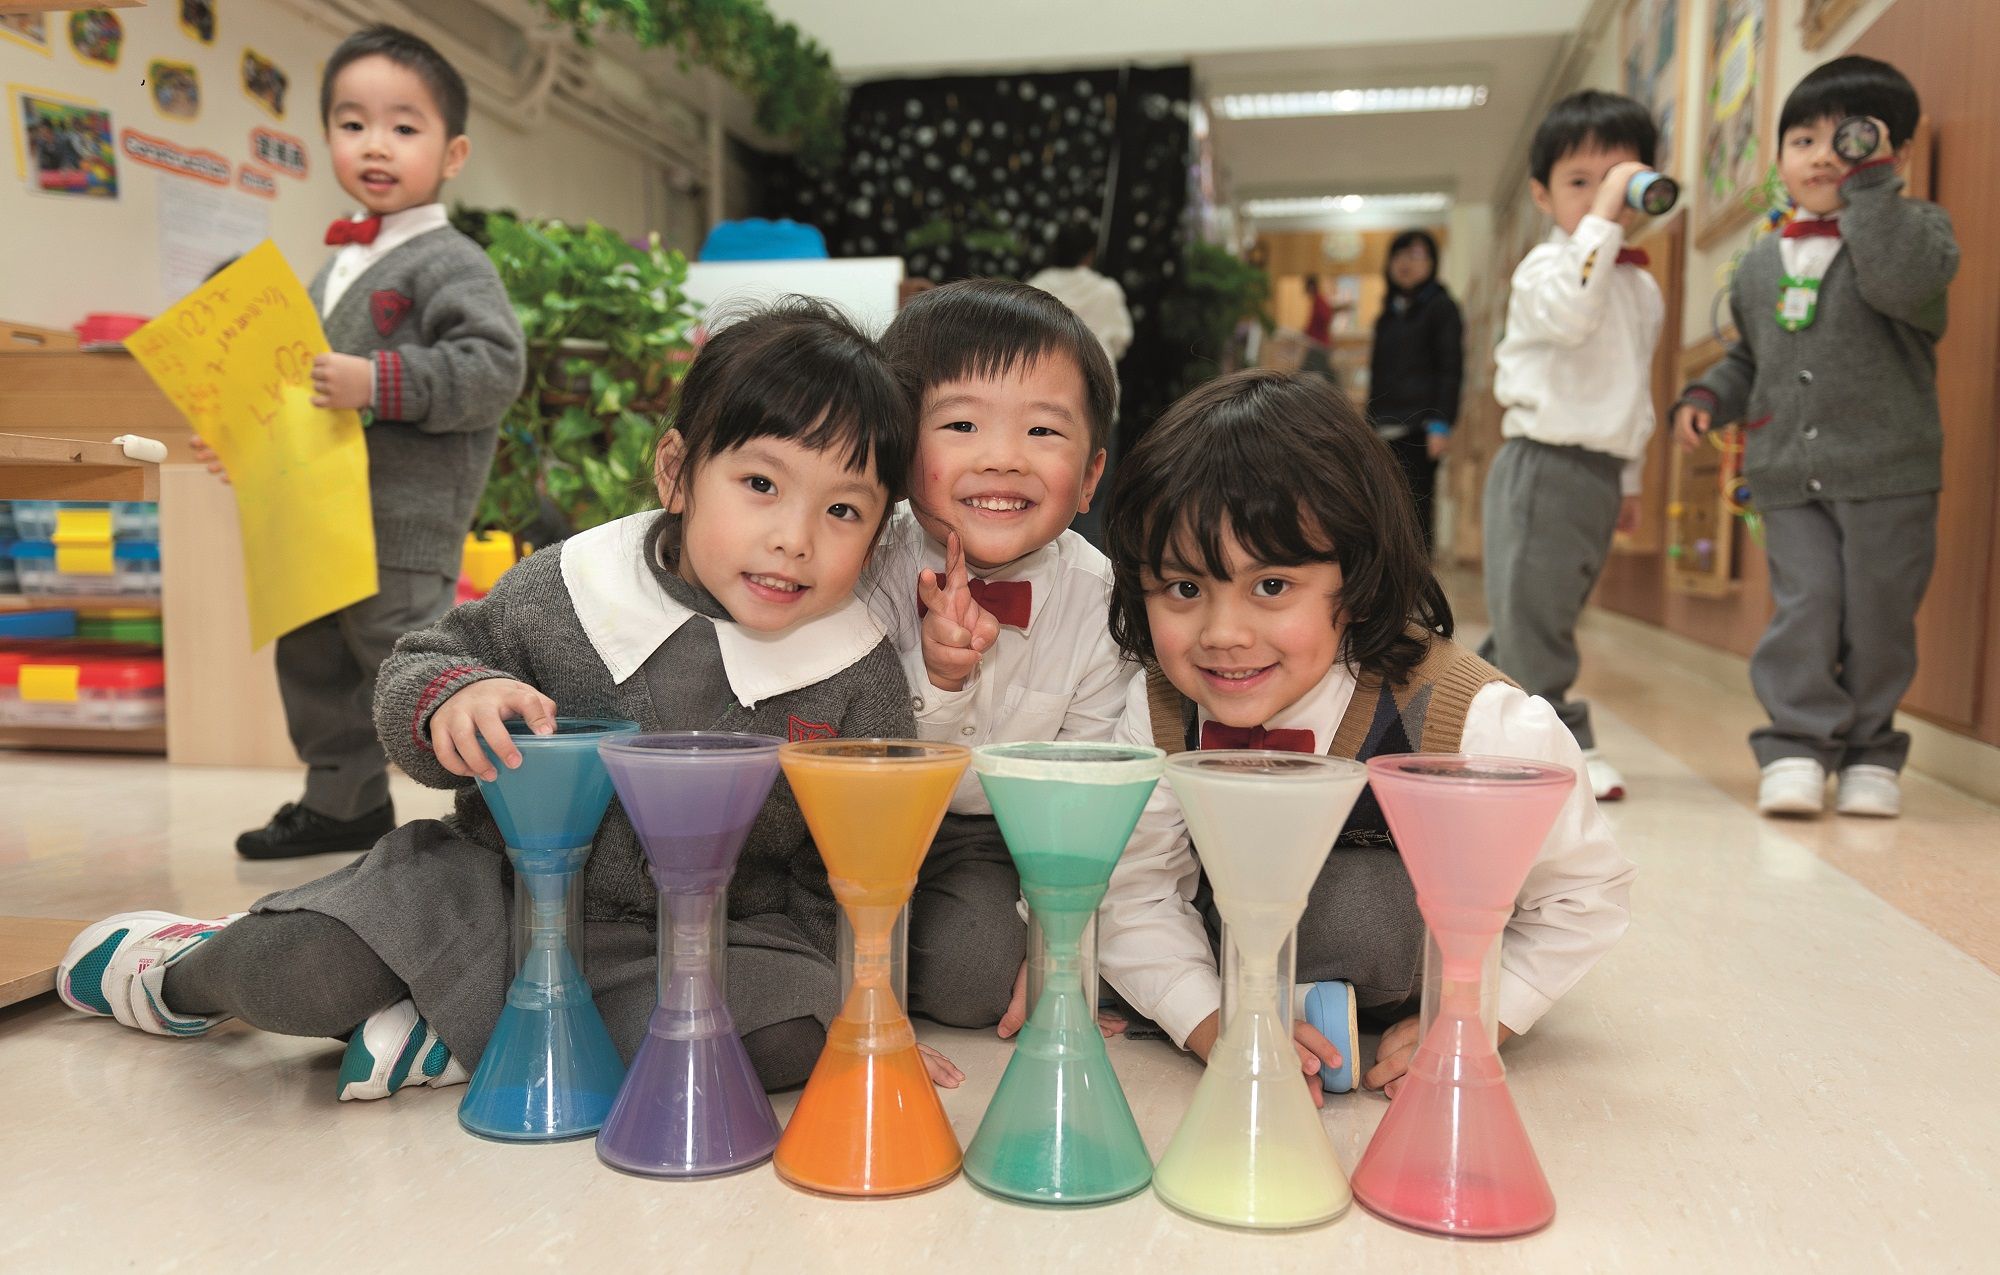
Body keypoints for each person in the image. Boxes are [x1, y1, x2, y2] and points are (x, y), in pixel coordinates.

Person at [56, 299, 948, 1101]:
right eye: (761, 485)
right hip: (485, 889)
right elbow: (421, 660)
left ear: (880, 533)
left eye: (843, 511)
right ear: (676, 472)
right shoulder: (572, 586)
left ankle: (456, 1029)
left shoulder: (855, 668)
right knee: (298, 973)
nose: (794, 539)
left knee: (788, 1033)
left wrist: (863, 1005)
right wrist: (459, 696)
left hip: (695, 943)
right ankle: (178, 965)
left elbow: (854, 867)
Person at [1095, 370, 1633, 1099]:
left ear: (1356, 580)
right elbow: (1133, 889)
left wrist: (1476, 1015)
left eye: (1271, 586)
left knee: (1354, 904)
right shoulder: (1159, 708)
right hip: (1237, 965)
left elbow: (1582, 895)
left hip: (1411, 965)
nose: (1223, 634)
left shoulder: (1474, 722)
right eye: (1184, 589)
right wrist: (1213, 1022)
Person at [192, 25, 527, 859]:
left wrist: (376, 380)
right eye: (352, 123)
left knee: (409, 657)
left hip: (398, 520)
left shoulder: (451, 261)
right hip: (318, 516)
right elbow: (299, 391)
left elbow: (493, 369)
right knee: (315, 667)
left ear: (452, 154)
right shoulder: (334, 265)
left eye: (404, 127)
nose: (375, 144)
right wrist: (247, 442)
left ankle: (510, 805)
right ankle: (342, 801)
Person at [1674, 56, 1958, 820]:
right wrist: (1708, 396)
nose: (1825, 155)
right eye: (1803, 140)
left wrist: (1872, 190)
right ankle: (1795, 744)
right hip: (1788, 473)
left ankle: (1870, 751)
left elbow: (1898, 282)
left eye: (1850, 139)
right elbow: (1751, 356)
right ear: (1779, 158)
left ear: (1895, 152)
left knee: (1878, 617)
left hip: (1888, 474)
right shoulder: (1760, 262)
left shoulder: (1917, 234)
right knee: (1805, 607)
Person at [869, 279, 1135, 1037]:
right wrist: (940, 680)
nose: (1003, 458)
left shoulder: (1098, 599)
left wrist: (1061, 940)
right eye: (961, 424)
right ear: (897, 449)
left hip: (1002, 835)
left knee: (975, 972)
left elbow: (1089, 789)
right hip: (866, 815)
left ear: (1090, 477)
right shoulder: (864, 563)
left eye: (1043, 431)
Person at [1483, 89, 1666, 802]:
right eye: (1581, 183)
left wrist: (1630, 479)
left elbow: (1634, 389)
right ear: (1543, 195)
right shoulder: (1546, 268)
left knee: (1539, 614)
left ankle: (1475, 720)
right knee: (1536, 617)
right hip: (1544, 462)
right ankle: (1566, 745)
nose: (1601, 198)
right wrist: (1601, 220)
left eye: (1618, 179)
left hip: (1598, 469)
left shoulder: (1640, 286)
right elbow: (1568, 315)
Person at [1367, 229, 1464, 553]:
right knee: (1384, 509)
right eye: (1400, 255)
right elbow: (1378, 374)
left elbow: (1450, 369)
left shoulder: (1442, 307)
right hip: (1383, 426)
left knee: (1417, 510)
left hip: (1420, 427)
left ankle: (1419, 575)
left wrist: (1441, 423)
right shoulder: (1387, 315)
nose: (1406, 263)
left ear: (1433, 262)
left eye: (1416, 255)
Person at [1025, 223, 1133, 364]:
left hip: (1045, 369)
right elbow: (1122, 337)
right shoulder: (1107, 290)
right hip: (1098, 372)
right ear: (1090, 253)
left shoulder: (1036, 285)